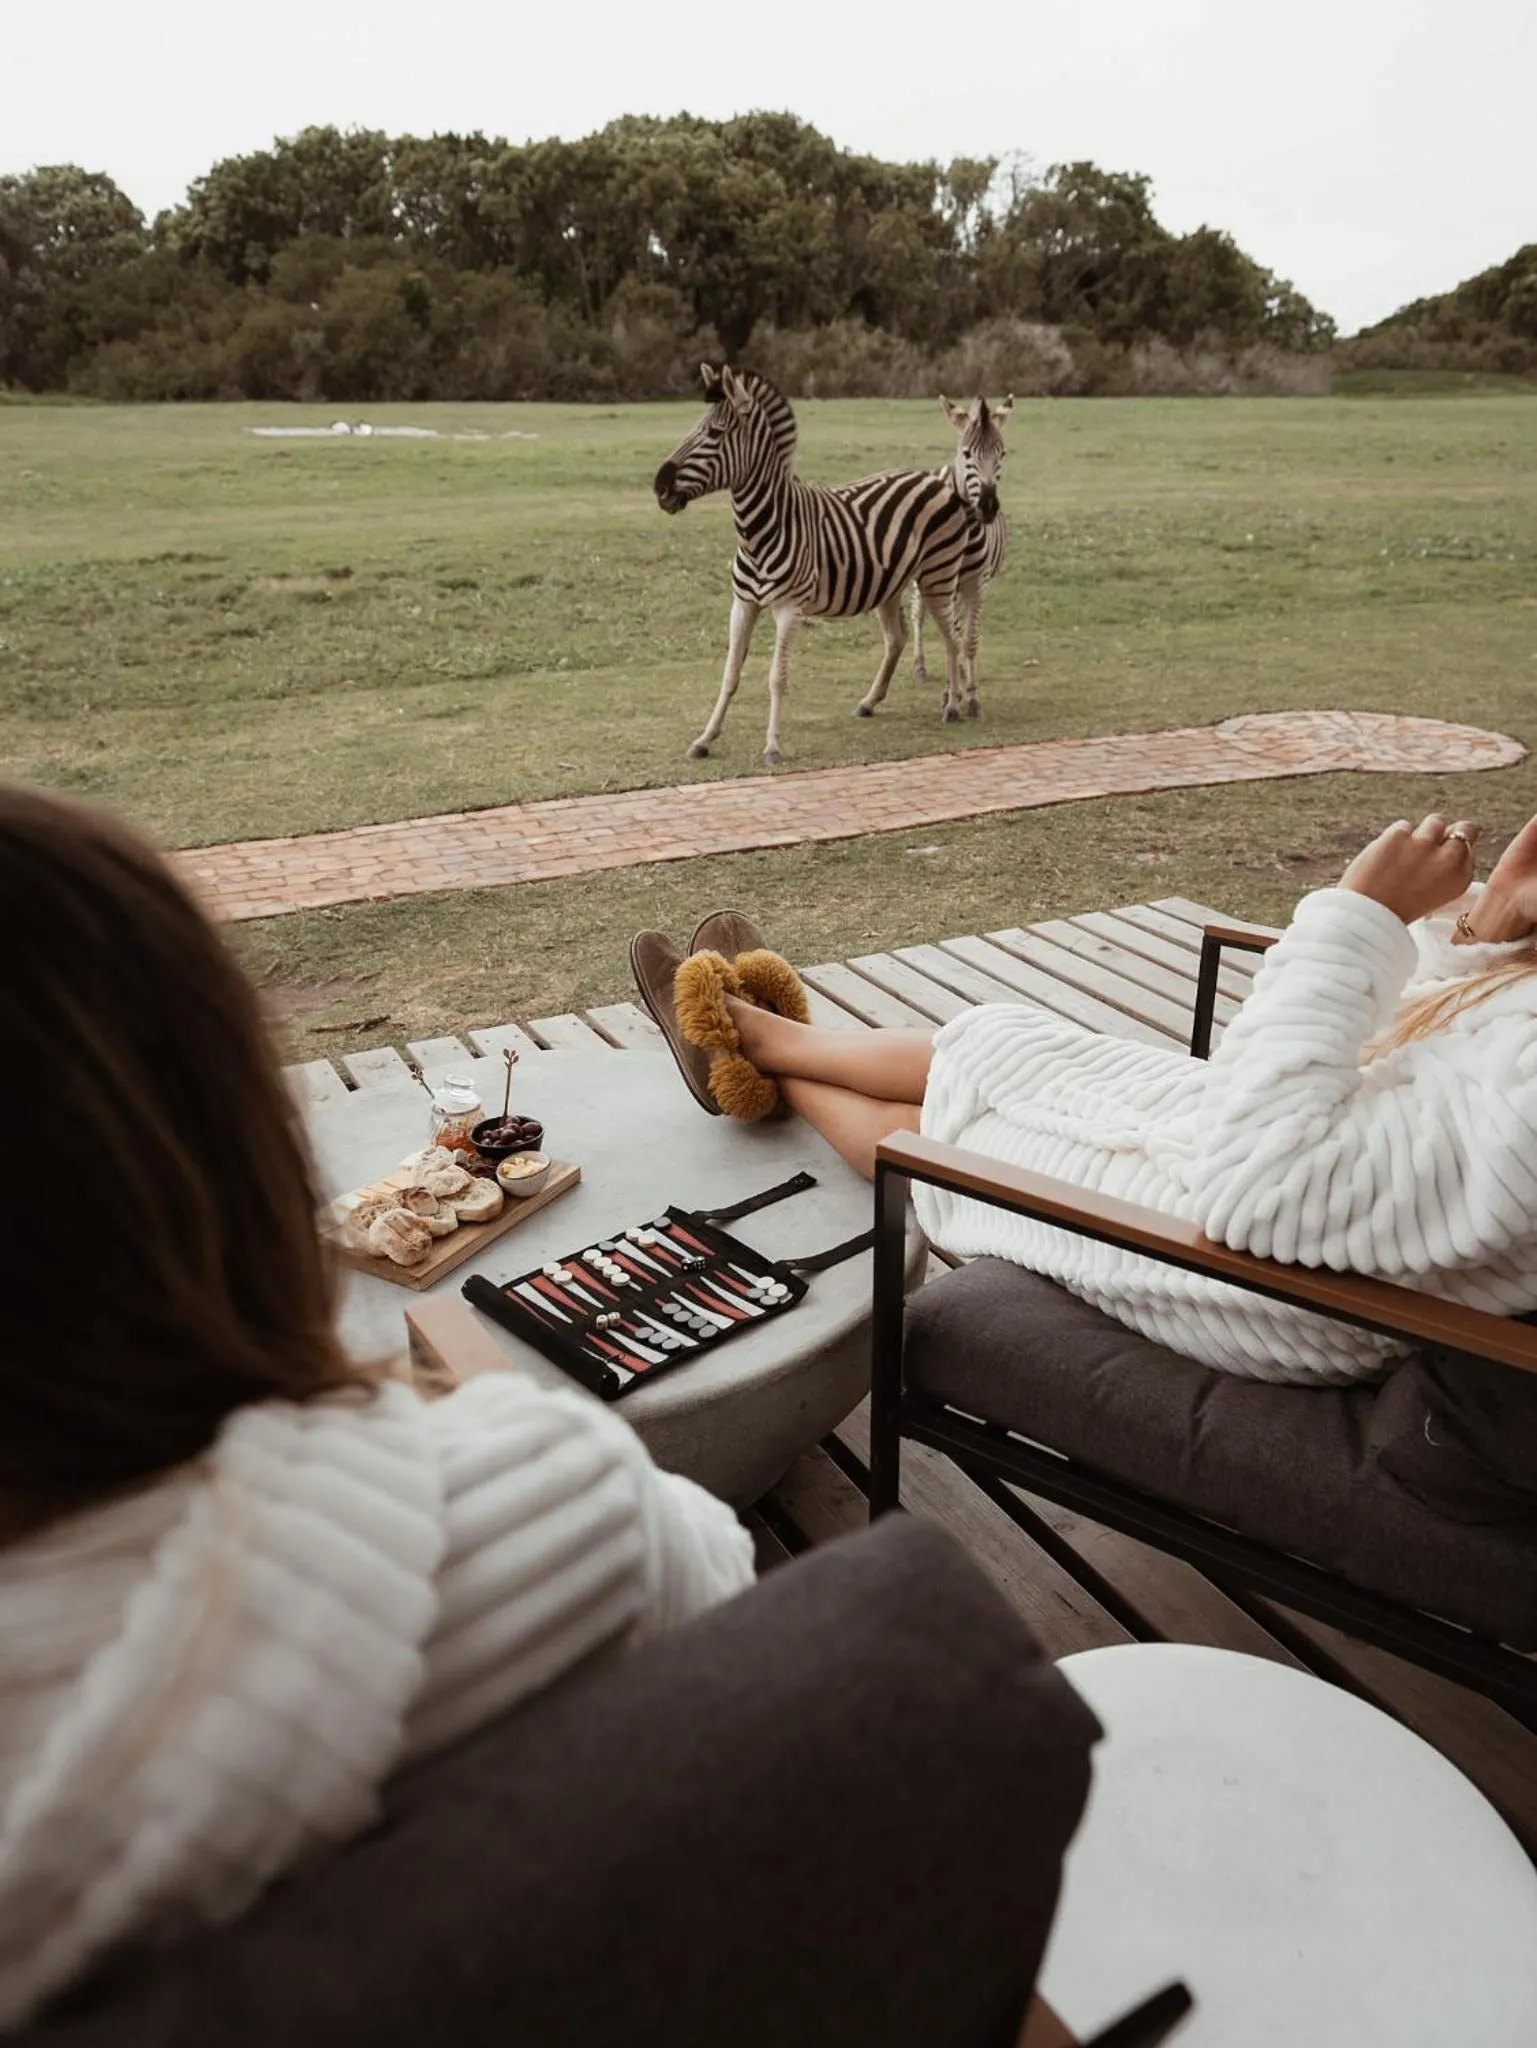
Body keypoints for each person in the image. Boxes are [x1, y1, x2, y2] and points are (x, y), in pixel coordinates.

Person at [0, 785, 756, 2030]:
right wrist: (431, 1412)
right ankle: (753, 1048)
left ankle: (745, 1047)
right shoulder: (557, 1501)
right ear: (229, 1145)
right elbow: (754, 1646)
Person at [636, 814, 1537, 1387]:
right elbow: (1419, 1063)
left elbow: (1258, 1194)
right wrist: (1488, 934)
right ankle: (773, 1046)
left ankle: (754, 1054)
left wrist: (1360, 916)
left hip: (1280, 1273)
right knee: (1004, 1038)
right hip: (1311, 1162)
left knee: (957, 1142)